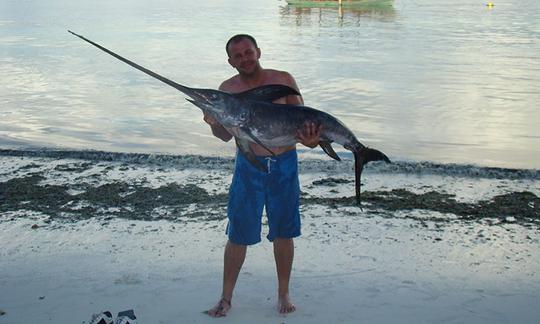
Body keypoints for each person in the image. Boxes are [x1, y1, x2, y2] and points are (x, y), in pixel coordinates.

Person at [204, 34, 321, 317]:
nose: (245, 58)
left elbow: (307, 124)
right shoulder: (226, 90)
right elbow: (222, 136)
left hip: (284, 164)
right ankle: (226, 297)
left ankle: (283, 293)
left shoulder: (283, 80)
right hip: (248, 165)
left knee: (283, 231)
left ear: (258, 51)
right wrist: (213, 122)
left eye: (248, 52)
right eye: (238, 56)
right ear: (230, 62)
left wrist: (312, 141)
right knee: (239, 233)